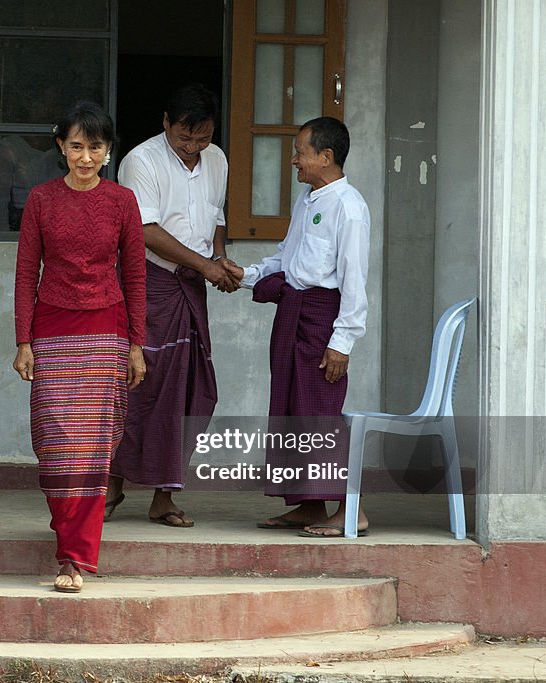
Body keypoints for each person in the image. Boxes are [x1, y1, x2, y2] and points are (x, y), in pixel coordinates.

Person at [13, 102, 146, 593]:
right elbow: (27, 272)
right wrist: (23, 340)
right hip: (51, 328)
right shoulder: (41, 200)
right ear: (60, 147)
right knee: (56, 442)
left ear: (109, 151)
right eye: (76, 146)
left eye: (95, 147)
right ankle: (68, 530)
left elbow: (134, 274)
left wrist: (137, 343)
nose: (85, 156)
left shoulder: (122, 201)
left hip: (106, 328)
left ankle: (75, 557)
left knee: (91, 448)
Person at [226, 116, 371, 538]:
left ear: (326, 157)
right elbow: (286, 259)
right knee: (292, 410)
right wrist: (246, 275)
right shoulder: (309, 200)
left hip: (322, 319)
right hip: (293, 314)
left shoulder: (349, 208)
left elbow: (354, 282)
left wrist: (341, 342)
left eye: (300, 153)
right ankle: (310, 503)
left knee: (320, 411)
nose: (294, 161)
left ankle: (351, 509)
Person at [105, 84, 239, 528]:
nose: (193, 147)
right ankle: (113, 485)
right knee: (139, 382)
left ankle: (165, 494)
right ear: (166, 122)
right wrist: (206, 265)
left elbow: (216, 217)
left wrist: (218, 260)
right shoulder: (140, 161)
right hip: (150, 282)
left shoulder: (217, 159)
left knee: (191, 390)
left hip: (192, 286)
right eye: (184, 137)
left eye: (202, 138)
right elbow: (144, 230)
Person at [0, 135, 63, 231]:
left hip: (59, 214)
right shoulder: (10, 146)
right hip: (21, 215)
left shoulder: (64, 149)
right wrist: (0, 231)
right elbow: (0, 196)